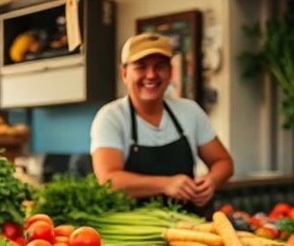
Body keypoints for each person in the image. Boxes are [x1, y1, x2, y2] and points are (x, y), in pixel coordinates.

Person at [90, 32, 233, 213]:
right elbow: (108, 181)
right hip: (136, 231)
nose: (151, 75)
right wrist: (166, 184)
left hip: (190, 226)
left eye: (160, 66)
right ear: (124, 73)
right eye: (141, 67)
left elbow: (224, 162)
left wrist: (212, 180)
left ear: (170, 72)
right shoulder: (111, 118)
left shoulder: (190, 111)